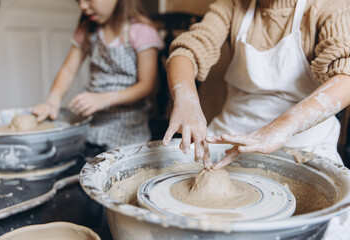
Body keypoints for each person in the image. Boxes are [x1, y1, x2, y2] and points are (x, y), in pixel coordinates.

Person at [162, 0, 350, 238]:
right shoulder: (233, 5)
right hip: (228, 141)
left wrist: (284, 125)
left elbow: (346, 74)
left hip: (305, 144)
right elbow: (187, 50)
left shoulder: (329, 6)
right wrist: (185, 96)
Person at [32, 0, 162, 150]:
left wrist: (104, 99)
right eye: (79, 0)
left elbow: (146, 86)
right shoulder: (88, 29)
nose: (83, 6)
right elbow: (68, 70)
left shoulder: (142, 32)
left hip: (128, 129)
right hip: (92, 124)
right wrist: (52, 102)